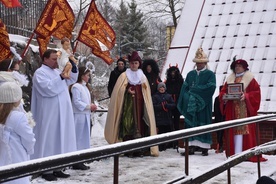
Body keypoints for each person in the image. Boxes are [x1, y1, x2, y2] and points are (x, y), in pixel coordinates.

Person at [31, 49, 78, 181]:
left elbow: (70, 80)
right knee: (50, 139)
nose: (55, 61)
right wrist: (62, 77)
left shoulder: (57, 71)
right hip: (49, 113)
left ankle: (58, 166)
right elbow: (48, 89)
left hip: (62, 113)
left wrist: (73, 67)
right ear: (45, 59)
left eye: (56, 59)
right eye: (53, 59)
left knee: (60, 138)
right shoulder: (40, 73)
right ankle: (47, 169)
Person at [104, 51, 159, 157]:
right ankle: (128, 149)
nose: (134, 65)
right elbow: (118, 92)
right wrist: (126, 91)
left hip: (140, 106)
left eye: (136, 63)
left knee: (141, 125)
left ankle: (140, 149)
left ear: (139, 64)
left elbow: (146, 92)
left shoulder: (142, 77)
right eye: (132, 63)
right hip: (126, 107)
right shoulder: (124, 76)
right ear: (129, 64)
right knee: (127, 125)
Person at [219, 58, 267, 162]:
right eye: (236, 66)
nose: (237, 68)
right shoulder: (230, 80)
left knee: (245, 131)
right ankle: (234, 153)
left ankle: (246, 154)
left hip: (245, 111)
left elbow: (256, 93)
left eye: (240, 66)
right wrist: (225, 97)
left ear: (244, 68)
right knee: (233, 131)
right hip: (232, 111)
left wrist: (246, 96)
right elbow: (222, 93)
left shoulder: (250, 79)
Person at [177, 47, 216, 156]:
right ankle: (191, 146)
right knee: (190, 124)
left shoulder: (210, 74)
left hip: (204, 104)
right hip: (191, 105)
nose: (199, 65)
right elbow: (184, 89)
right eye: (197, 63)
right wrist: (188, 98)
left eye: (201, 63)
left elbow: (211, 88)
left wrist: (194, 92)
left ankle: (204, 147)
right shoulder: (190, 74)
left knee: (203, 123)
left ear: (205, 63)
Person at [0, 82, 36, 184]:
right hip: (17, 155)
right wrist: (29, 149)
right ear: (16, 99)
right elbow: (29, 138)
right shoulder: (18, 117)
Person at [70, 66, 97, 170]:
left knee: (84, 138)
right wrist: (88, 106)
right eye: (87, 75)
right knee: (78, 138)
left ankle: (81, 158)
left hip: (85, 115)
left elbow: (85, 100)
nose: (88, 77)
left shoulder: (85, 87)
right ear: (81, 76)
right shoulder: (76, 87)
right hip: (79, 115)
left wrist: (91, 105)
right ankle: (75, 160)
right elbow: (76, 102)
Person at [152, 82, 175, 151]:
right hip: (159, 117)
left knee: (167, 131)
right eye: (160, 87)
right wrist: (161, 106)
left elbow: (173, 105)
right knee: (160, 132)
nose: (162, 89)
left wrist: (167, 106)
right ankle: (160, 145)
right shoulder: (155, 96)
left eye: (163, 87)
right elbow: (153, 106)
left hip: (167, 117)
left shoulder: (168, 96)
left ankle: (167, 144)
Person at [165, 65, 184, 149]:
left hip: (177, 104)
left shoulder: (180, 81)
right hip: (169, 104)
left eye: (174, 72)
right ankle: (170, 142)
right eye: (171, 72)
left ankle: (176, 142)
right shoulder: (167, 82)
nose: (173, 74)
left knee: (176, 123)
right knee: (169, 123)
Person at [214, 85, 225, 153]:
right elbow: (216, 110)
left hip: (225, 118)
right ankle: (220, 146)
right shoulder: (217, 99)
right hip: (218, 119)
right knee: (219, 134)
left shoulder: (227, 99)